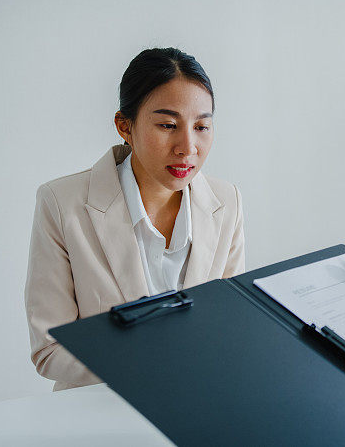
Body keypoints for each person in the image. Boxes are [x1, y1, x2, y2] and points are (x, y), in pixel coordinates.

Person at [24, 48, 245, 391]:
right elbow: (50, 349)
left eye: (202, 126)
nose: (187, 147)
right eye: (168, 125)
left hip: (201, 406)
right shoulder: (62, 203)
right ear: (124, 126)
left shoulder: (226, 201)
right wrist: (156, 363)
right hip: (100, 416)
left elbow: (231, 329)